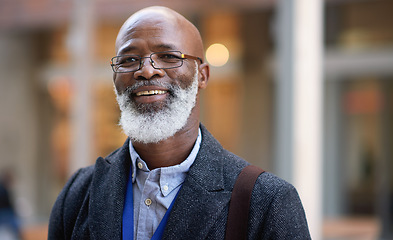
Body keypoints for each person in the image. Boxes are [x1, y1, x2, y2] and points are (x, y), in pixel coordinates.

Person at [48, 6, 311, 240]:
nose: (147, 70)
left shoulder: (265, 201)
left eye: (169, 56)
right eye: (129, 60)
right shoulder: (78, 193)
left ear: (202, 75)